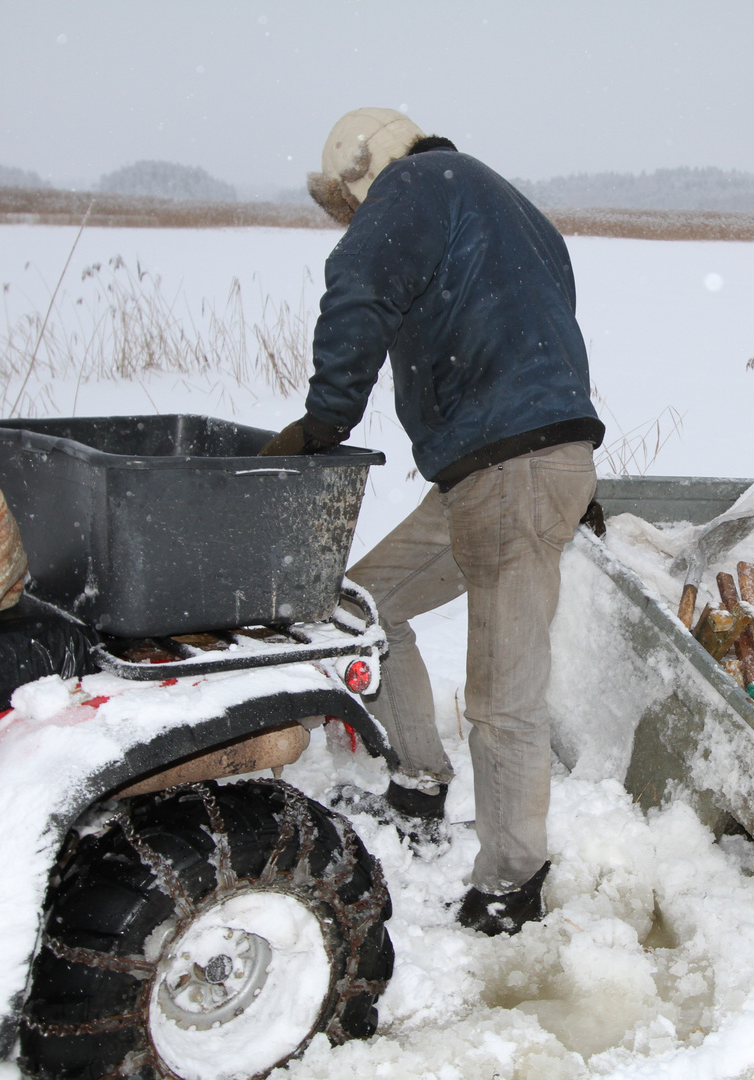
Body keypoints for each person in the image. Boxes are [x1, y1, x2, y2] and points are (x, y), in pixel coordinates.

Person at [262, 108, 604, 935]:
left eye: (346, 201)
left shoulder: (412, 185)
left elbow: (358, 291)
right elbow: (545, 327)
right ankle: (418, 776)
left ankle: (510, 885)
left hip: (509, 470)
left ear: (361, 170)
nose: (351, 216)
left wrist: (322, 424)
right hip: (501, 466)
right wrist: (568, 465)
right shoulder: (506, 203)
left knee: (503, 698)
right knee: (364, 608)